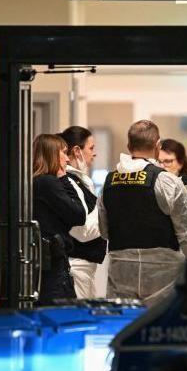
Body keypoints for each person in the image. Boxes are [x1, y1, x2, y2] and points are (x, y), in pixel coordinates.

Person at [98, 120, 187, 306]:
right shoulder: (167, 181)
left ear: (129, 146)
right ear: (158, 145)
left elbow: (104, 230)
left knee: (124, 326)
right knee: (160, 327)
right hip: (163, 272)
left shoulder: (109, 181)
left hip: (121, 270)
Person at [32, 133, 85, 304]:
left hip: (42, 261)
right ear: (52, 155)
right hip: (53, 263)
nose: (67, 159)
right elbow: (79, 214)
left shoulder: (34, 181)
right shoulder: (49, 183)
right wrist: (64, 179)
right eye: (63, 152)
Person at [58, 126, 107, 299]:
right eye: (91, 148)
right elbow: (82, 230)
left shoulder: (81, 180)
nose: (95, 153)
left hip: (85, 268)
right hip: (76, 266)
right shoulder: (67, 182)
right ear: (77, 151)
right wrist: (107, 208)